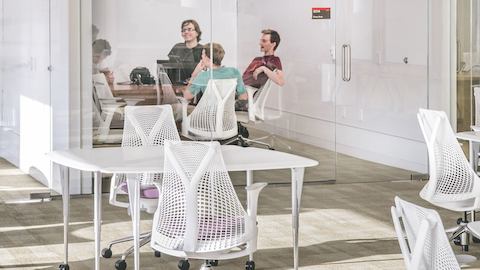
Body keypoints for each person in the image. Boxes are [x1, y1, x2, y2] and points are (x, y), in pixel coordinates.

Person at [168, 19, 203, 84]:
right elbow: (170, 70)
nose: (186, 32)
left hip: (196, 86)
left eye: (189, 29)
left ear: (197, 33)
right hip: (177, 86)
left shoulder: (203, 50)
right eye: (184, 30)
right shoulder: (177, 47)